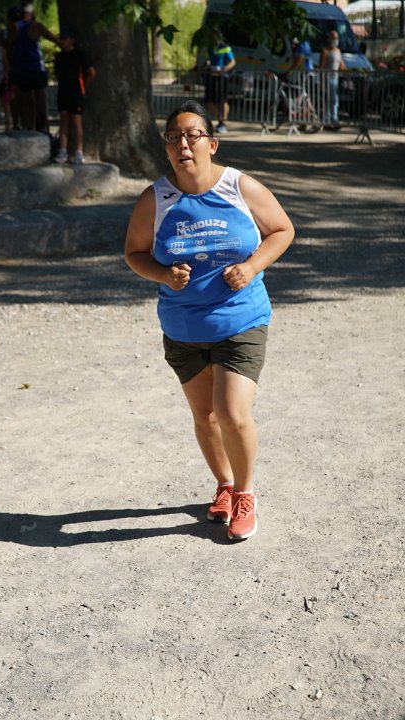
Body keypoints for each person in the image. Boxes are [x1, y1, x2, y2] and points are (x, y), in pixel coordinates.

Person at [124, 101, 294, 541]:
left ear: (211, 144)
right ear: (166, 148)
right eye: (173, 137)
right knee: (205, 416)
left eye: (192, 135)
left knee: (232, 413)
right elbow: (134, 254)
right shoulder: (155, 199)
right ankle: (224, 484)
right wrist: (163, 274)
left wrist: (252, 267)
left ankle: (245, 494)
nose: (183, 143)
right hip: (183, 327)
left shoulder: (239, 187)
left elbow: (282, 230)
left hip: (241, 320)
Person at [9, 3, 62, 133]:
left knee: (27, 99)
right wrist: (59, 43)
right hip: (34, 67)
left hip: (22, 67)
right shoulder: (35, 26)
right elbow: (52, 37)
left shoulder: (14, 27)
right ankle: (41, 126)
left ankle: (29, 125)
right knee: (38, 97)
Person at [53, 27, 96, 165]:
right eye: (61, 38)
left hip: (76, 92)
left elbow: (91, 72)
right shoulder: (59, 57)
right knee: (64, 121)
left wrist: (83, 87)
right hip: (63, 92)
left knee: (76, 122)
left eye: (65, 38)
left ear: (72, 40)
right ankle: (62, 151)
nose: (62, 41)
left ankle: (79, 152)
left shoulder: (79, 55)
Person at [203, 30, 236, 134]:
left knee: (223, 100)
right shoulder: (209, 47)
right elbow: (208, 60)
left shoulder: (226, 47)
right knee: (209, 102)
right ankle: (219, 120)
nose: (213, 39)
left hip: (222, 77)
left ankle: (223, 123)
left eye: (215, 37)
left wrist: (224, 69)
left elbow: (233, 62)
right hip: (212, 76)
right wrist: (206, 65)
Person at [319, 29, 345, 129]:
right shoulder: (325, 51)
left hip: (335, 79)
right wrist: (322, 82)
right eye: (334, 38)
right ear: (329, 39)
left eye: (337, 38)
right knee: (330, 100)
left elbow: (341, 64)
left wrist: (348, 75)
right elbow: (321, 68)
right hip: (327, 78)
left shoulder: (338, 51)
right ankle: (330, 121)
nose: (335, 40)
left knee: (334, 101)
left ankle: (331, 120)